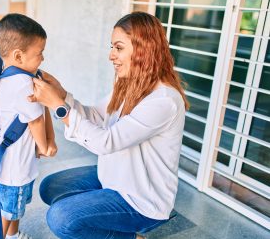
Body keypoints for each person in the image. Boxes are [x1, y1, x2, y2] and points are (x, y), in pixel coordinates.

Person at [28, 12, 189, 239]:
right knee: (51, 187)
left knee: (61, 218)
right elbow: (95, 116)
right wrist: (62, 95)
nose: (111, 55)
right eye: (112, 47)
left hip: (142, 199)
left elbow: (106, 142)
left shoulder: (163, 100)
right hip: (115, 177)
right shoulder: (128, 84)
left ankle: (131, 237)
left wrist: (58, 107)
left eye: (119, 48)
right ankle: (103, 217)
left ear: (144, 49)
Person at [0, 13, 57, 239]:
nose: (43, 58)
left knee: (14, 207)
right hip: (15, 167)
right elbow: (35, 119)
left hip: (14, 162)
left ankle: (12, 236)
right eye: (39, 53)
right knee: (6, 212)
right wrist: (44, 146)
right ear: (19, 56)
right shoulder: (22, 83)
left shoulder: (9, 77)